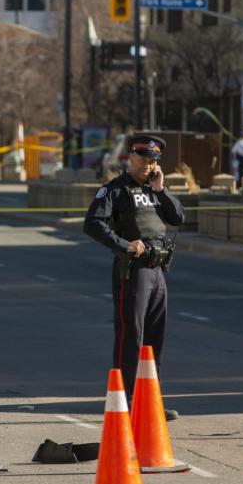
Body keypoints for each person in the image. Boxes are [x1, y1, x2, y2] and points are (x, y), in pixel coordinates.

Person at [84, 135, 185, 420]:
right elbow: (92, 224)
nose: (148, 165)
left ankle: (149, 401)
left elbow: (177, 217)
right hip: (134, 271)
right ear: (131, 157)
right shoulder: (115, 190)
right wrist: (123, 244)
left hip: (158, 270)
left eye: (152, 161)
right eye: (143, 159)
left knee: (154, 340)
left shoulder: (155, 190)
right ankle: (124, 402)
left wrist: (161, 188)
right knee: (132, 337)